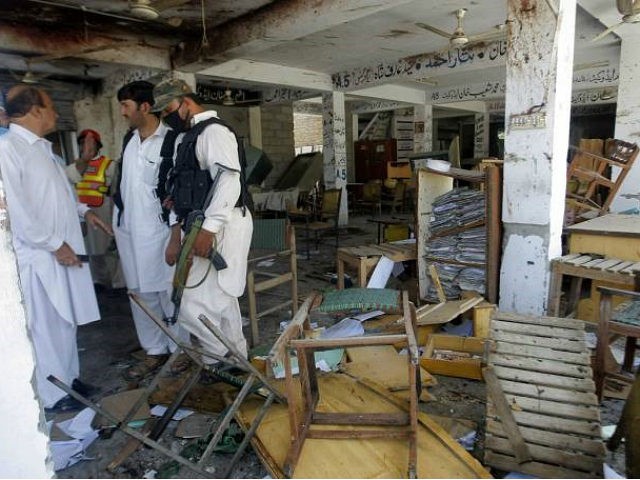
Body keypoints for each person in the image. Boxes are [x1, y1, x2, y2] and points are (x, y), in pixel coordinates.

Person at [0, 85, 113, 412]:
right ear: (35, 110)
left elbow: (60, 194)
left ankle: (69, 378)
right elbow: (18, 212)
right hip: (40, 255)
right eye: (50, 107)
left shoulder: (43, 150)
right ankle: (53, 393)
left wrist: (86, 212)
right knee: (46, 324)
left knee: (65, 320)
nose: (56, 113)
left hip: (62, 250)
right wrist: (54, 244)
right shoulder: (9, 150)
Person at [151, 78, 253, 365]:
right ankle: (235, 363)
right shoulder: (188, 138)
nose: (165, 117)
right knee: (220, 302)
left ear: (185, 102)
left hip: (223, 223)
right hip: (202, 224)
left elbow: (229, 181)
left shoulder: (214, 133)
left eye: (168, 108)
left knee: (192, 304)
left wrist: (208, 229)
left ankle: (222, 359)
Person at [113, 80, 189, 380]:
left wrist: (175, 238)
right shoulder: (129, 141)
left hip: (159, 234)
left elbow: (176, 194)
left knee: (169, 292)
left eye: (126, 106)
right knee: (140, 295)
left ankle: (181, 349)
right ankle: (154, 350)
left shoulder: (171, 142)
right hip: (130, 233)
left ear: (145, 107)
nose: (122, 112)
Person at [65, 129, 117, 289]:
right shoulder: (73, 167)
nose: (86, 146)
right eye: (83, 143)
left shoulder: (110, 165)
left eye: (91, 143)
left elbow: (115, 192)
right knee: (89, 251)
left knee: (109, 250)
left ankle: (115, 284)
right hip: (82, 214)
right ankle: (97, 282)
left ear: (98, 145)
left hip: (104, 211)